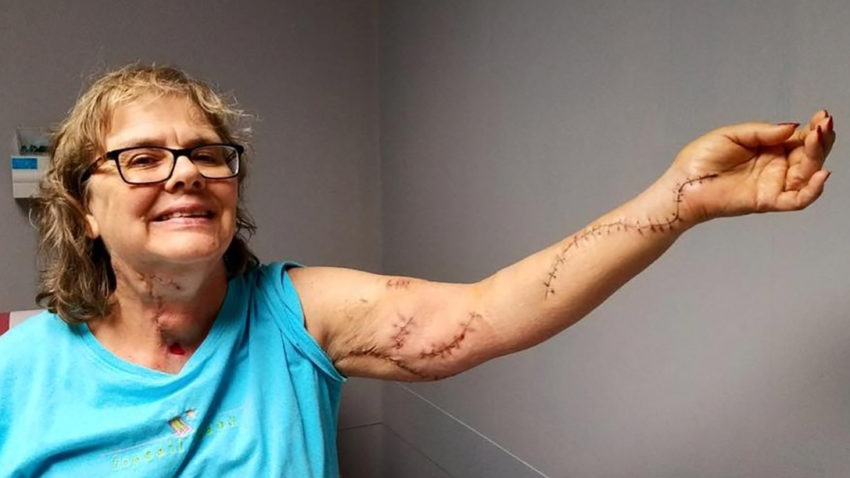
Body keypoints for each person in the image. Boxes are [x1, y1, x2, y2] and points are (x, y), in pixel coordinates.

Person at [0, 64, 835, 477]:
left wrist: (680, 198)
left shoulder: (293, 315)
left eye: (207, 153)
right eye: (143, 158)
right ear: (82, 207)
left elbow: (492, 312)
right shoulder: (17, 373)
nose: (186, 174)